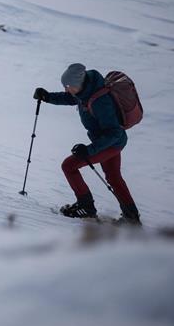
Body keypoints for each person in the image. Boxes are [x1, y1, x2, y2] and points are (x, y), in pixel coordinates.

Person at [34, 63, 141, 225]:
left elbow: (114, 133)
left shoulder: (100, 101)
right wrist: (47, 97)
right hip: (108, 142)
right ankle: (132, 218)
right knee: (114, 177)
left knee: (69, 166)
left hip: (110, 143)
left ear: (77, 84)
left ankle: (86, 207)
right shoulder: (85, 90)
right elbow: (70, 98)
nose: (66, 89)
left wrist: (89, 150)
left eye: (67, 86)